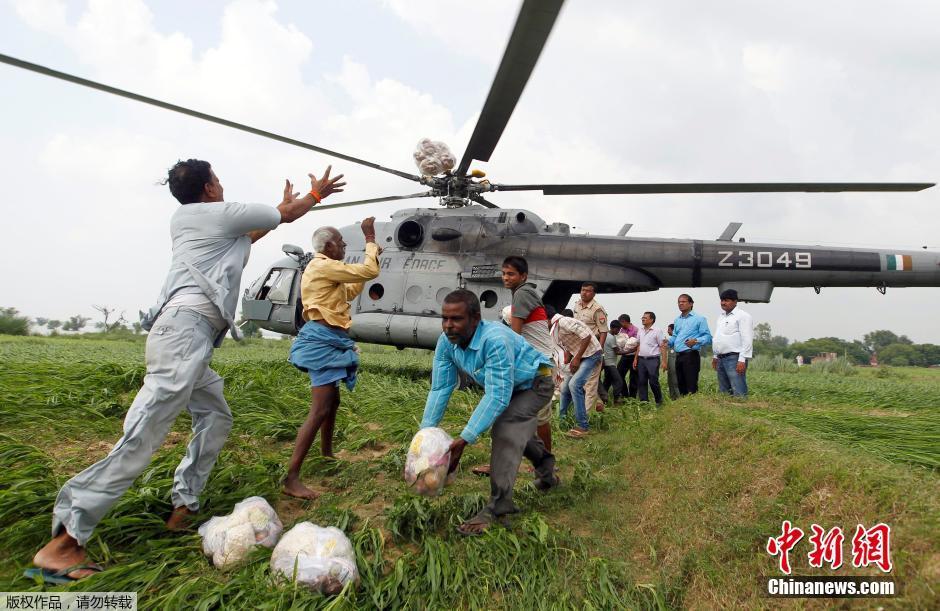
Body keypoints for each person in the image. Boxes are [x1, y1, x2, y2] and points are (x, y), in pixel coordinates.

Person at [31, 160, 345, 582]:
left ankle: (185, 505)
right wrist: (314, 196)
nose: (221, 183)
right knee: (142, 433)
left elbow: (251, 233)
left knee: (216, 418)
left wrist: (280, 212)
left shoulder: (201, 223)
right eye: (217, 178)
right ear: (210, 187)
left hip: (190, 338)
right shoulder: (212, 213)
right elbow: (284, 215)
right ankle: (65, 540)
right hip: (183, 335)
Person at [420, 290, 558, 535]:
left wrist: (464, 439)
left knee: (506, 428)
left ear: (475, 318)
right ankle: (547, 470)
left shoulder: (494, 340)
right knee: (518, 432)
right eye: (445, 319)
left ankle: (498, 508)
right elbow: (441, 387)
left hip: (536, 383)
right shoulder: (446, 342)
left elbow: (497, 396)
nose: (449, 326)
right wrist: (424, 436)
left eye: (457, 319)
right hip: (511, 385)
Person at [284, 219, 382, 499]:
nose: (344, 246)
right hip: (322, 342)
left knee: (332, 402)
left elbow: (351, 289)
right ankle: (291, 478)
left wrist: (368, 262)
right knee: (320, 408)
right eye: (341, 243)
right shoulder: (321, 264)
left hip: (332, 340)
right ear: (328, 246)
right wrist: (370, 239)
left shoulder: (327, 272)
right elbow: (369, 269)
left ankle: (327, 454)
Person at [473, 256, 555, 476]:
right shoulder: (526, 293)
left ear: (523, 276)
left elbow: (515, 336)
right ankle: (544, 464)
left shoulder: (521, 294)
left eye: (510, 274)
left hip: (538, 367)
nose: (505, 278)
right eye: (504, 273)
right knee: (537, 419)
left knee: (507, 413)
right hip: (540, 364)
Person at [551, 310, 603, 438]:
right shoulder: (556, 330)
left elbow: (586, 336)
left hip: (591, 354)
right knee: (565, 388)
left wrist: (577, 358)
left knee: (574, 385)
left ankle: (583, 426)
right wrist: (566, 362)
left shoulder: (563, 321)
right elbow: (569, 346)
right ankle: (562, 420)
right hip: (581, 355)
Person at [711, 289, 753, 398]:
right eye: (722, 300)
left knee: (738, 391)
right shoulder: (721, 317)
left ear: (735, 301)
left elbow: (747, 339)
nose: (723, 303)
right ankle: (726, 414)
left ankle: (741, 412)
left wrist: (742, 359)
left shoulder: (743, 316)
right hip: (721, 358)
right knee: (724, 392)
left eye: (727, 300)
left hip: (734, 358)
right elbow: (718, 337)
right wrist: (715, 356)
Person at [668, 294, 712, 395]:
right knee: (681, 386)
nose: (680, 304)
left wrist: (696, 340)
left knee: (691, 386)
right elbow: (675, 337)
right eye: (679, 302)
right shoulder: (677, 320)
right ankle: (685, 409)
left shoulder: (699, 319)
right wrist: (668, 342)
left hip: (691, 355)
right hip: (678, 356)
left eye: (683, 301)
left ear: (691, 303)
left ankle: (693, 408)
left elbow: (708, 337)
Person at [573, 282, 608, 411]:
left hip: (593, 349)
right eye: (582, 290)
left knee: (591, 383)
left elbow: (603, 331)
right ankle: (598, 404)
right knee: (582, 382)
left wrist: (600, 351)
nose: (584, 292)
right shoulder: (577, 305)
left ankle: (585, 418)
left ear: (593, 294)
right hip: (579, 349)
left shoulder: (597, 309)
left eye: (588, 291)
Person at [633, 311, 665, 405]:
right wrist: (635, 359)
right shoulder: (640, 330)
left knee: (653, 381)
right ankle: (644, 402)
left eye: (645, 318)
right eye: (642, 317)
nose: (643, 319)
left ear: (651, 320)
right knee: (641, 381)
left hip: (653, 359)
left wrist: (664, 361)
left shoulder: (657, 331)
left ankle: (659, 401)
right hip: (641, 359)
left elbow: (662, 346)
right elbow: (639, 345)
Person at [601, 320, 625, 402]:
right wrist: (631, 350)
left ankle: (603, 400)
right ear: (613, 328)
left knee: (607, 382)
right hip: (610, 364)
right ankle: (616, 399)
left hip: (607, 363)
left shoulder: (606, 335)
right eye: (618, 329)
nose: (619, 331)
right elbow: (617, 351)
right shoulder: (611, 337)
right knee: (619, 381)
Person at [616, 314, 639, 398]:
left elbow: (638, 345)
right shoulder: (621, 330)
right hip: (624, 356)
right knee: (619, 374)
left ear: (624, 321)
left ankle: (632, 397)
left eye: (620, 322)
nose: (619, 325)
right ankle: (625, 394)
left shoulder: (636, 330)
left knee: (633, 377)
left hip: (634, 356)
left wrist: (636, 358)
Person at [664, 323, 680, 400]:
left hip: (674, 365)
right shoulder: (670, 342)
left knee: (675, 380)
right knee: (670, 380)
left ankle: (679, 397)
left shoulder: (678, 341)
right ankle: (672, 398)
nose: (668, 331)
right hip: (670, 366)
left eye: (669, 330)